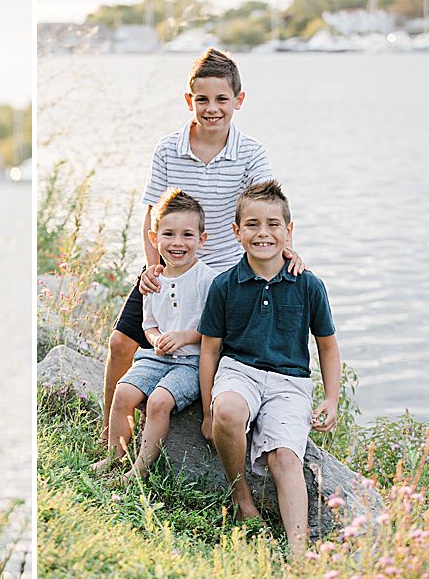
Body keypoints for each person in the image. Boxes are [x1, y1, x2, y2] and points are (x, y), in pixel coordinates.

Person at [98, 47, 297, 441]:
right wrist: (154, 267)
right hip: (169, 264)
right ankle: (108, 431)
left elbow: (269, 208)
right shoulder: (168, 149)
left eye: (222, 99)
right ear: (189, 100)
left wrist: (287, 249)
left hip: (220, 277)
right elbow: (151, 216)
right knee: (121, 341)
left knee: (212, 351)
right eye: (202, 99)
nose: (212, 108)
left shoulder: (250, 153)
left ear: (238, 101)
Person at [198, 180, 340, 557]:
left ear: (288, 231)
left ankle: (298, 554)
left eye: (273, 224)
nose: (263, 233)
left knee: (285, 457)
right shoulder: (224, 285)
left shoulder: (308, 284)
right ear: (236, 231)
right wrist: (206, 410)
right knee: (227, 412)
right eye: (252, 224)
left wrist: (332, 398)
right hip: (238, 369)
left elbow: (327, 346)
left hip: (289, 382)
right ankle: (245, 504)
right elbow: (210, 352)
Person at [92, 188, 217, 481]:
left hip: (191, 363)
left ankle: (139, 470)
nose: (177, 243)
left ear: (202, 239)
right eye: (169, 234)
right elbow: (148, 324)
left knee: (159, 401)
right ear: (154, 238)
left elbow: (215, 329)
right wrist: (155, 338)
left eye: (187, 235)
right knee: (123, 392)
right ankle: (114, 456)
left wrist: (185, 337)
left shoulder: (208, 280)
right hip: (157, 357)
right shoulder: (153, 280)